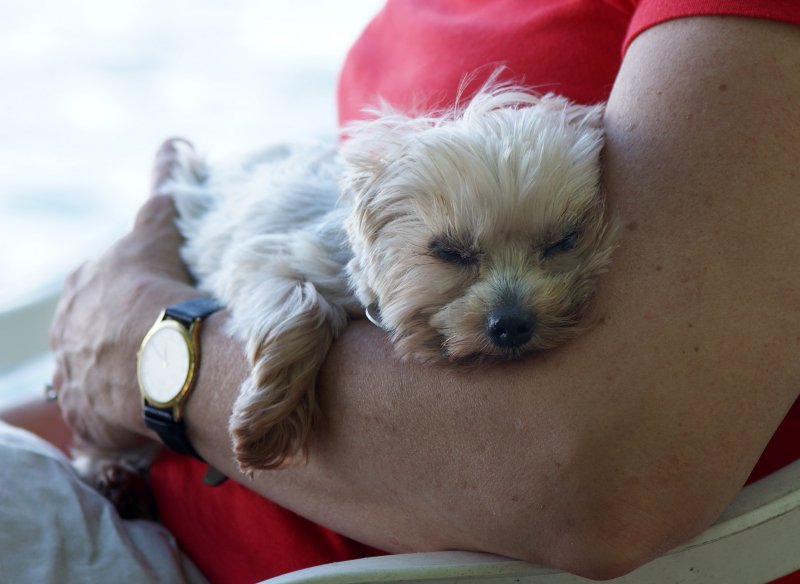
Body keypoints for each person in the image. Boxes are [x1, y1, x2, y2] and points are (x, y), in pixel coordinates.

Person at [28, 1, 800, 582]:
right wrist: (105, 359)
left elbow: (610, 482)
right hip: (149, 495)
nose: (512, 302)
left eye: (559, 246)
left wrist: (153, 355)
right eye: (456, 254)